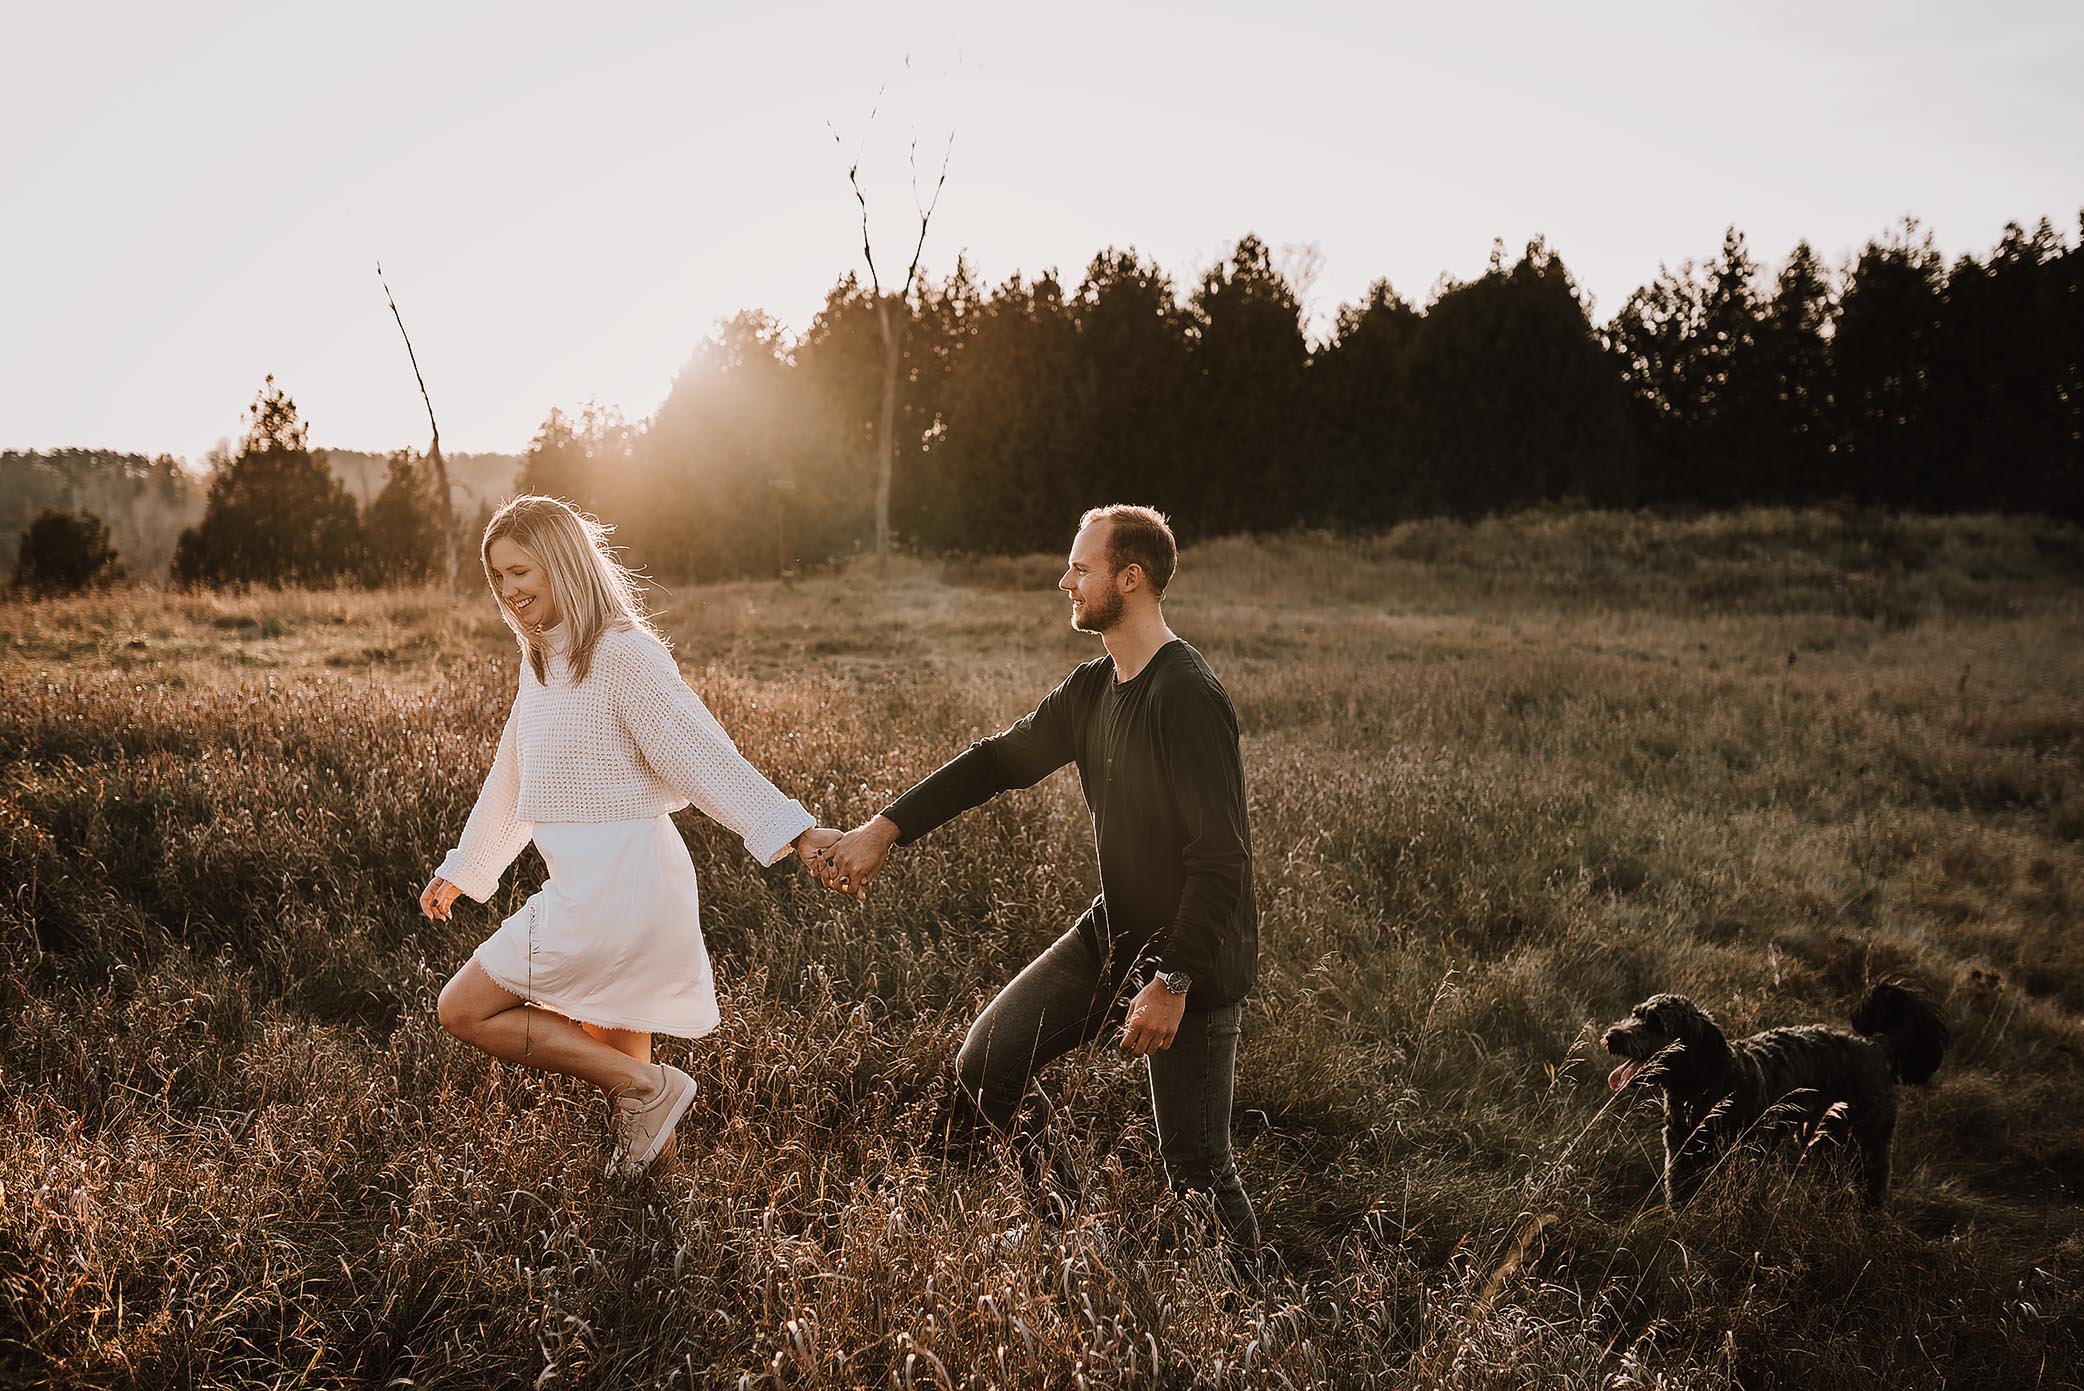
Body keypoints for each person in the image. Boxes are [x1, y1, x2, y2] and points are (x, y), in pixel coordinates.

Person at [820, 504, 1260, 1258]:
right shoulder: (1094, 687)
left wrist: (1174, 978)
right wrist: (883, 829)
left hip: (1193, 962)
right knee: (986, 1063)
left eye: (1081, 568)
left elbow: (1221, 858)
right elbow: (997, 760)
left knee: (1195, 1168)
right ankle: (1078, 1233)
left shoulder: (1184, 694)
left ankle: (1266, 1319)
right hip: (1110, 934)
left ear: (1132, 578)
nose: (1066, 581)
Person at [420, 495, 838, 1176]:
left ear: (562, 562)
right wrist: (466, 867)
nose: (510, 589)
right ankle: (655, 1204)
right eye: (498, 577)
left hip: (623, 885)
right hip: (590, 885)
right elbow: (512, 774)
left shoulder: (622, 653)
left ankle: (650, 1092)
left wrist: (794, 830)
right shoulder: (542, 661)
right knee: (628, 1089)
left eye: (521, 570)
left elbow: (702, 757)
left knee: (464, 1007)